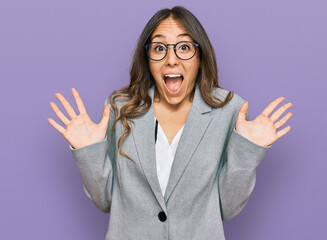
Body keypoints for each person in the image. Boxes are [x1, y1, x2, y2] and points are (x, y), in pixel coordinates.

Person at [48, 6, 293, 240]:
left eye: (184, 47)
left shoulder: (229, 109)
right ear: (148, 58)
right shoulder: (121, 107)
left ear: (200, 56)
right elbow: (105, 201)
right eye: (159, 48)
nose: (171, 60)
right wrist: (88, 152)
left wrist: (247, 152)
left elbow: (227, 209)